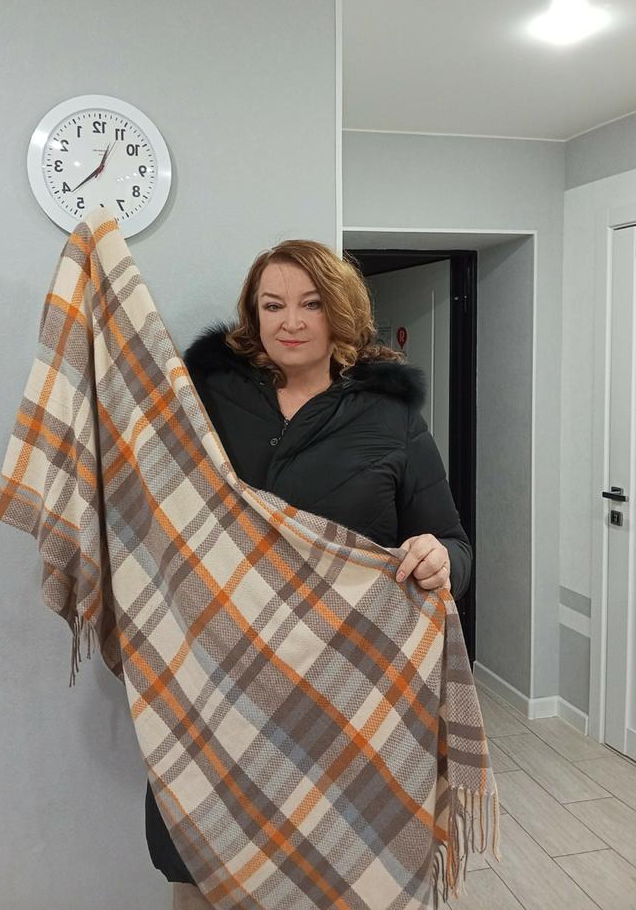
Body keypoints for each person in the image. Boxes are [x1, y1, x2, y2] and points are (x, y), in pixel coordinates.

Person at [145, 239, 473, 909]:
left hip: (339, 701)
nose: (290, 321)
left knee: (333, 873)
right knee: (203, 873)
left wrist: (439, 558)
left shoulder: (390, 419)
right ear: (253, 315)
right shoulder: (203, 401)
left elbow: (454, 547)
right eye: (273, 305)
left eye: (311, 304)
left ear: (340, 313)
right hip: (218, 687)